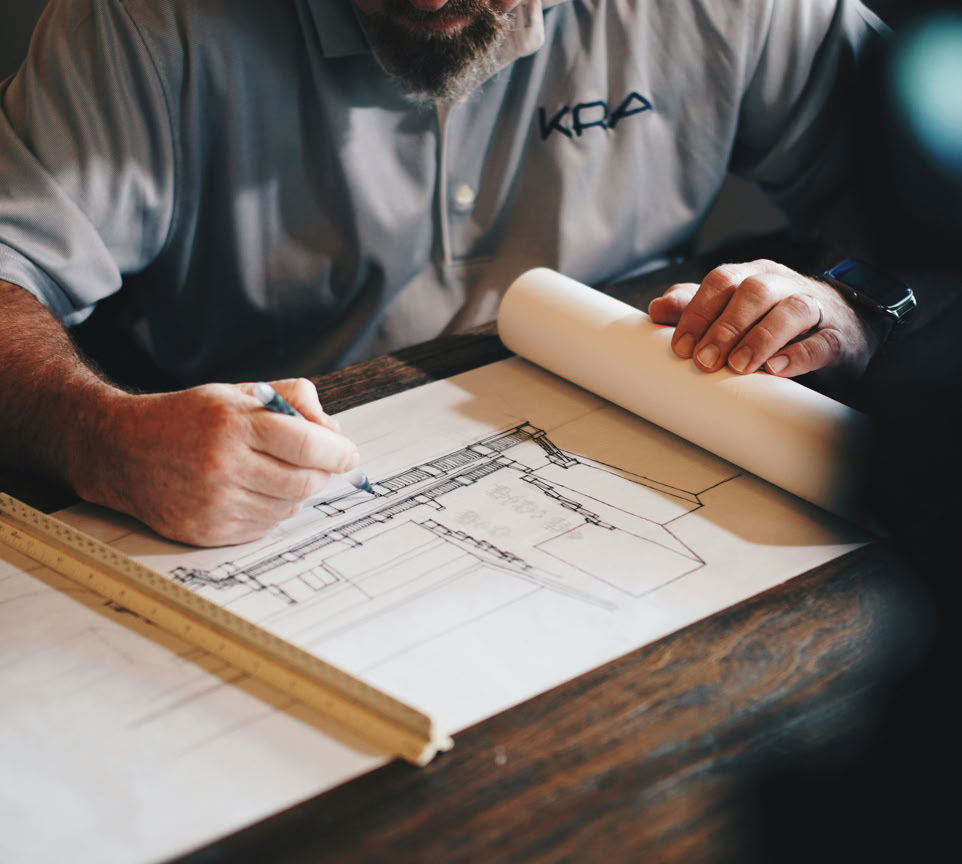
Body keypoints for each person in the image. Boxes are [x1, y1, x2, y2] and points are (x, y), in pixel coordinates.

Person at [0, 0, 887, 546]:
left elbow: (915, 196)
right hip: (259, 485)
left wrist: (851, 297)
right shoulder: (139, 19)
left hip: (661, 456)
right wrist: (98, 437)